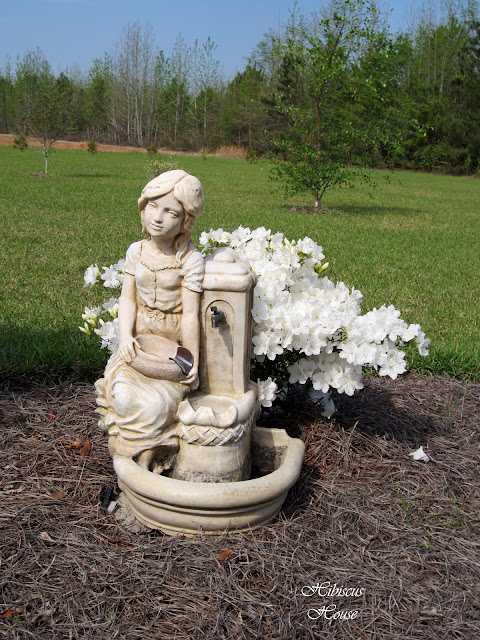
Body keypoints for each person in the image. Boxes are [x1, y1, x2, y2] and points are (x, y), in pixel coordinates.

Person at [95, 170, 205, 468]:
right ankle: (128, 452)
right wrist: (125, 337)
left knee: (157, 404)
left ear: (185, 221)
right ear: (143, 207)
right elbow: (127, 299)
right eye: (153, 206)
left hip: (170, 346)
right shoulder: (137, 251)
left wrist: (191, 360)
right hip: (138, 342)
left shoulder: (189, 260)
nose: (158, 217)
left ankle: (149, 455)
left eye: (171, 212)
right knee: (122, 394)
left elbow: (190, 316)